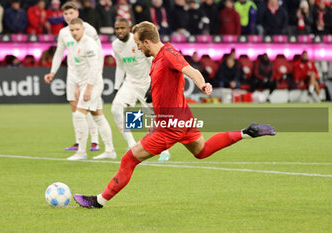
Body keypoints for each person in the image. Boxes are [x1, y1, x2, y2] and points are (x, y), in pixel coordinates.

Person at [73, 21, 276, 208]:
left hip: (171, 126)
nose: (137, 48)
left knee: (129, 159)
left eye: (138, 43)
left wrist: (203, 84)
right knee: (202, 151)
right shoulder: (157, 57)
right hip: (182, 118)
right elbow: (161, 85)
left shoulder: (169, 54)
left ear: (147, 41)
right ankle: (246, 132)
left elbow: (192, 71)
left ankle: (99, 201)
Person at [44, 2, 105, 156]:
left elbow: (99, 53)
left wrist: (98, 74)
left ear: (77, 13)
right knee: (74, 106)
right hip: (73, 73)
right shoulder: (64, 32)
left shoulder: (89, 30)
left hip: (89, 73)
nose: (68, 16)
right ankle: (79, 141)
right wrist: (52, 72)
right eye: (65, 14)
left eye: (71, 13)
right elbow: (59, 53)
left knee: (90, 108)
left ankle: (95, 140)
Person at [106, 18, 171, 161]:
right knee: (116, 108)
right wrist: (117, 87)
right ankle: (131, 144)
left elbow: (153, 62)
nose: (119, 31)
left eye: (122, 28)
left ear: (129, 28)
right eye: (117, 29)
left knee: (155, 118)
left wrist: (153, 84)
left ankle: (164, 150)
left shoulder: (138, 42)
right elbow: (121, 66)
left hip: (147, 82)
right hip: (130, 82)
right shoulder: (116, 45)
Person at [61, 18, 116, 161]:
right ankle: (110, 151)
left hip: (93, 84)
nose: (74, 32)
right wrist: (79, 86)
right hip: (85, 84)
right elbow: (79, 69)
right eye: (72, 30)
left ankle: (81, 152)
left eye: (77, 29)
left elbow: (95, 67)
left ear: (83, 29)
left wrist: (89, 88)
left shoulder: (89, 44)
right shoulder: (75, 45)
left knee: (79, 115)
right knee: (98, 117)